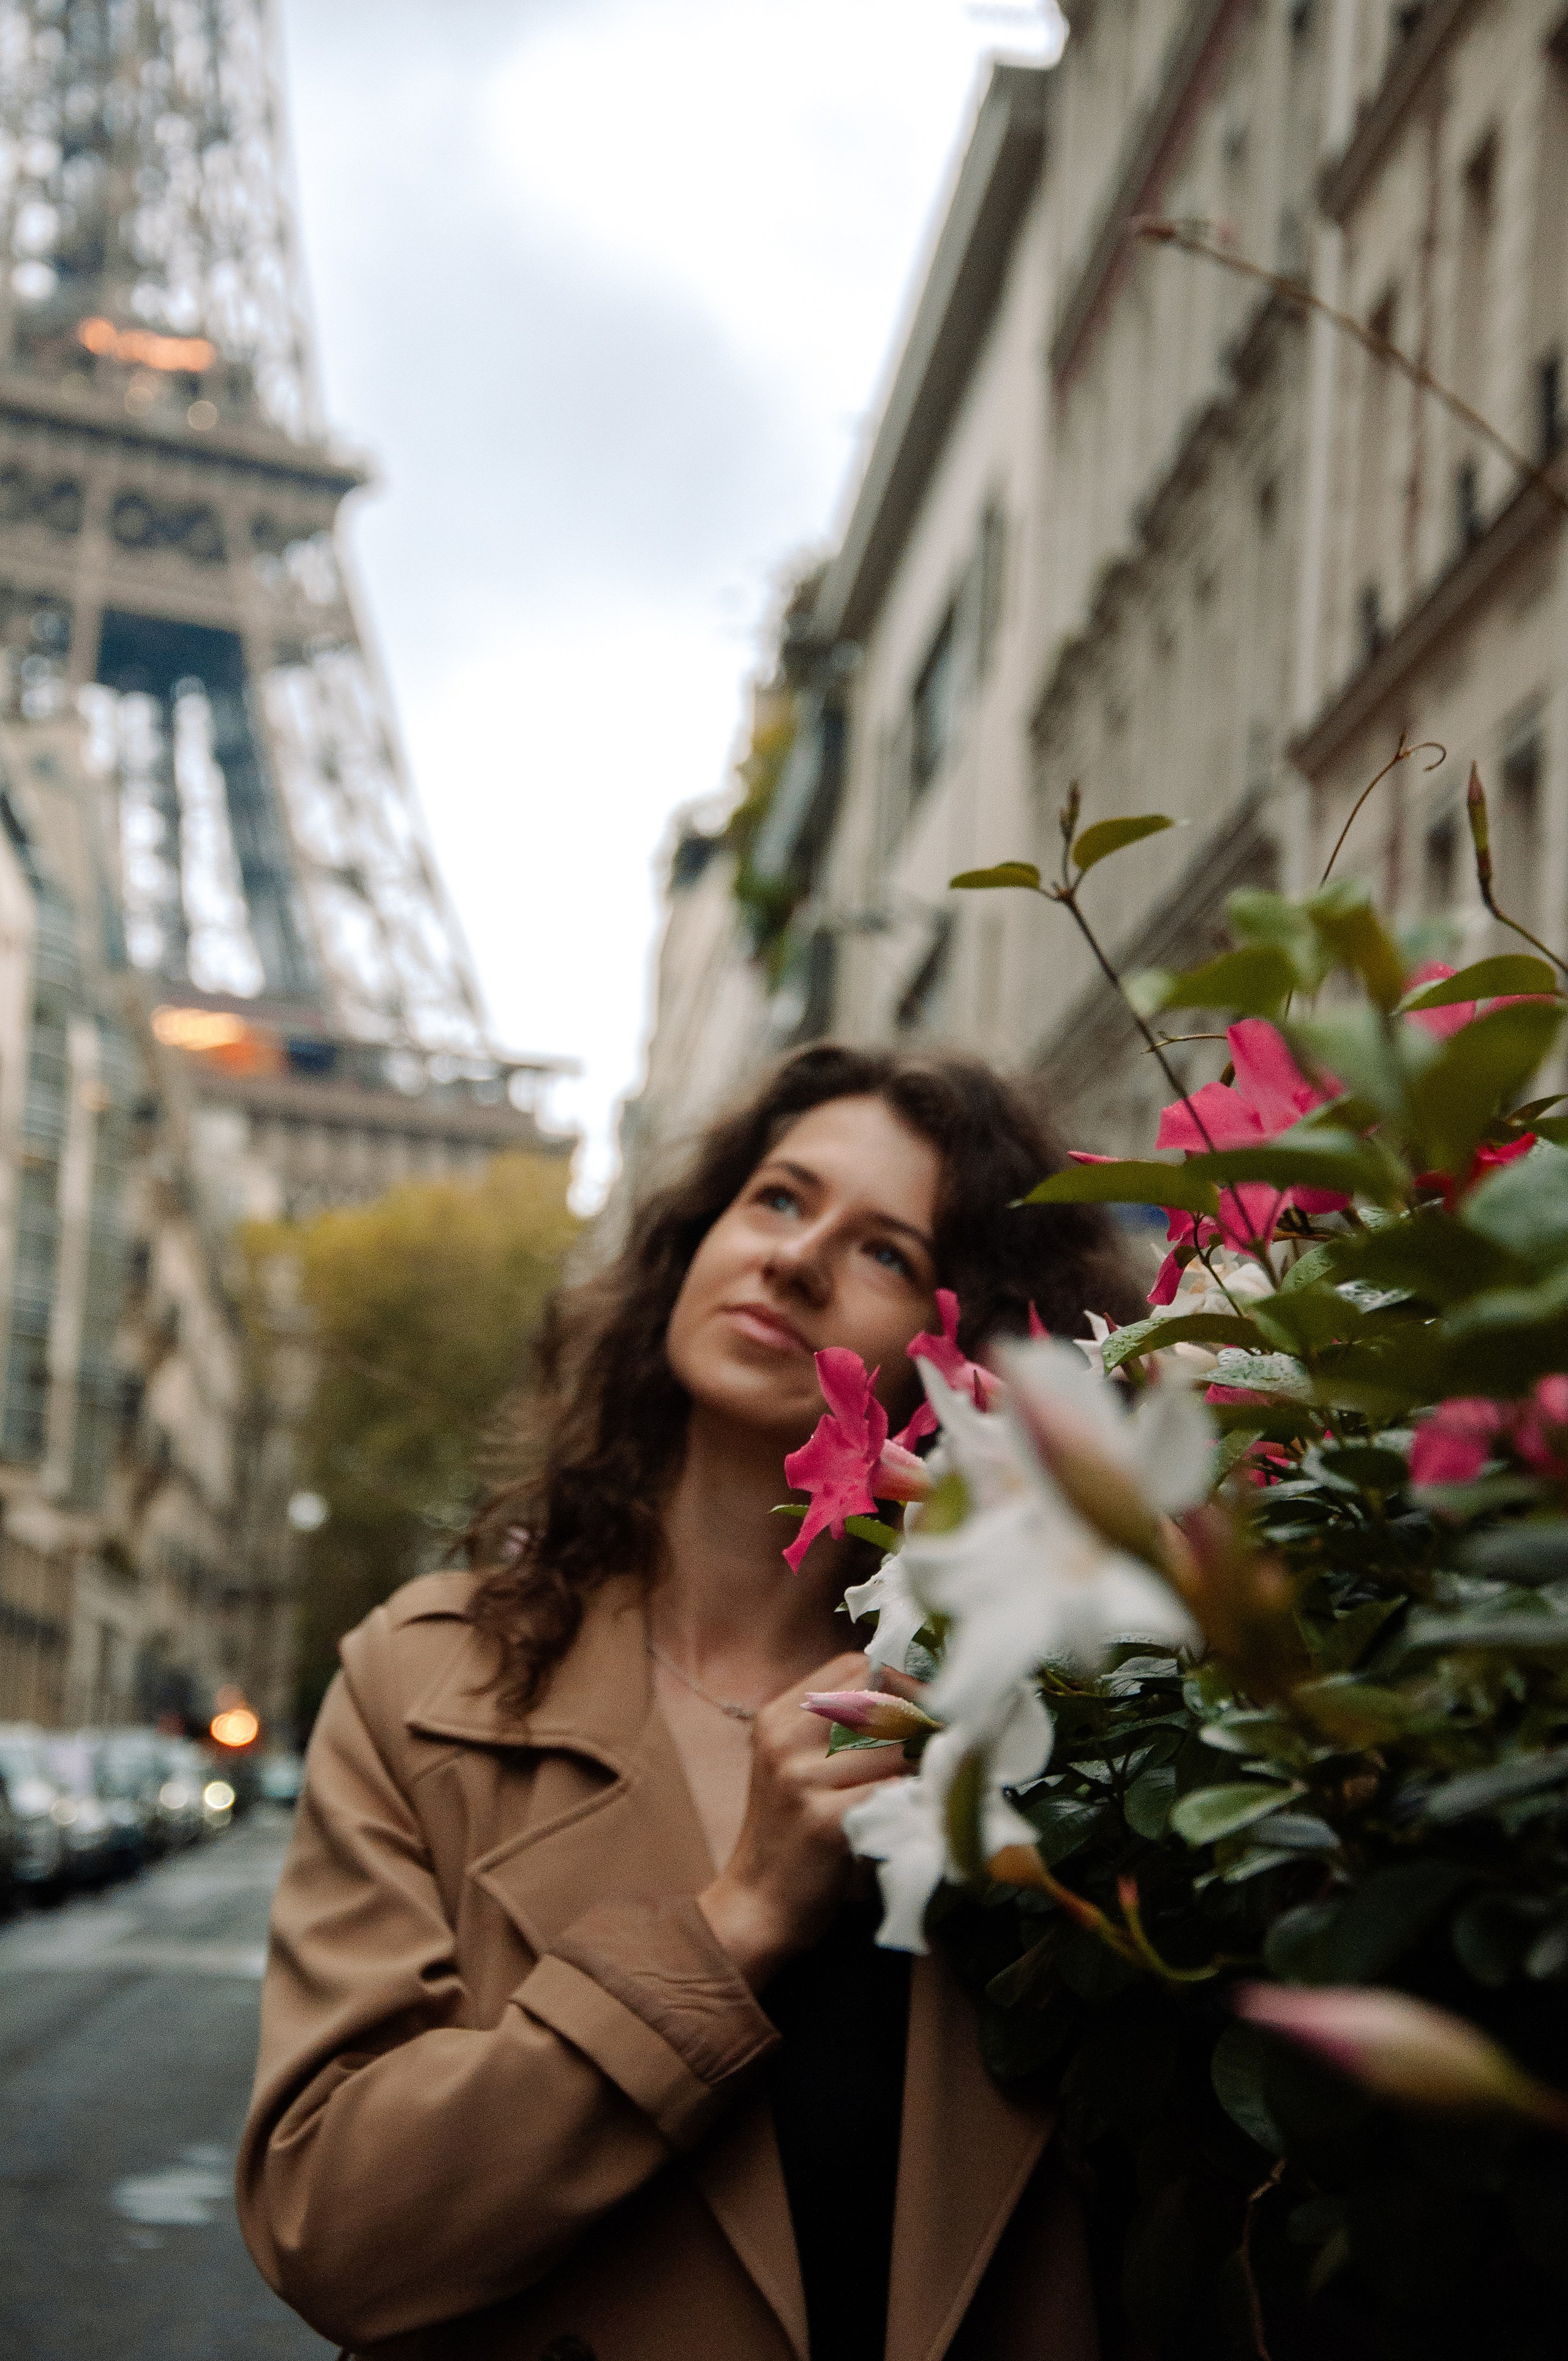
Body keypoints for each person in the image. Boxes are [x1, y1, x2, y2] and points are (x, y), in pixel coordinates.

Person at [238, 1042, 1144, 2361]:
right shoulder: (421, 1681)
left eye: (884, 1250)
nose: (794, 1257)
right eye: (778, 1197)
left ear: (970, 1357)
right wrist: (736, 1925)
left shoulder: (1065, 1713)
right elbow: (334, 2222)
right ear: (696, 1239)